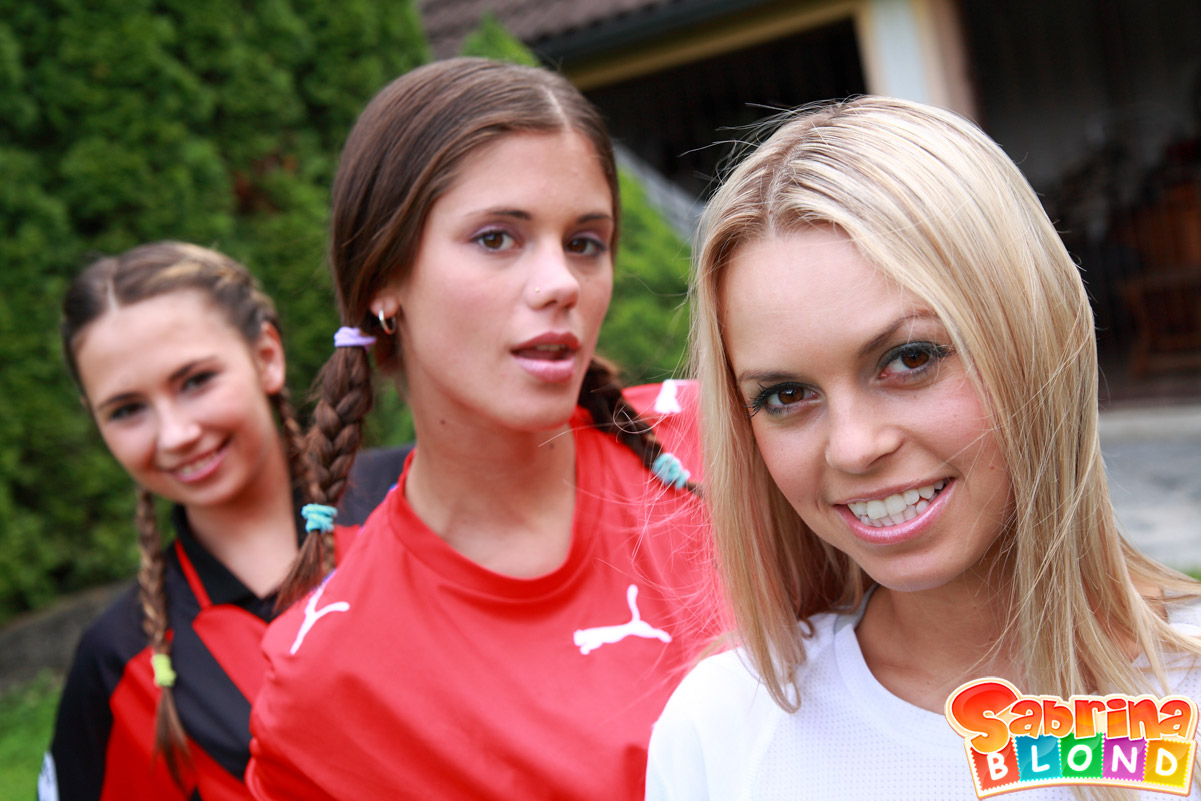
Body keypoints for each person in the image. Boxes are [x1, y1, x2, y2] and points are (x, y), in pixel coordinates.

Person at [645, 96, 1201, 799]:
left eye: (910, 358)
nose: (853, 447)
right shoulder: (721, 732)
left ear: (1034, 337)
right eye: (785, 394)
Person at [246, 58, 718, 800]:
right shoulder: (329, 678)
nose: (561, 283)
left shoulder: (731, 443)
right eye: (498, 238)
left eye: (585, 242)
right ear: (382, 280)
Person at [42, 242, 357, 800]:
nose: (175, 434)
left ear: (266, 357)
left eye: (195, 381)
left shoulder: (419, 501)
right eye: (127, 410)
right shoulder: (118, 660)